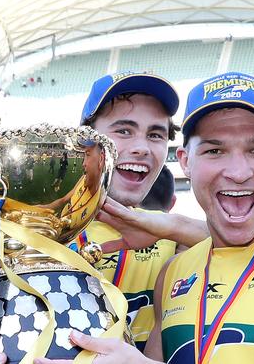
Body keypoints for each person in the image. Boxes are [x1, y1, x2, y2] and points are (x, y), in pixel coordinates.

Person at [42, 72, 254, 363]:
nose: (238, 171)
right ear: (185, 161)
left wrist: (175, 228)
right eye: (214, 150)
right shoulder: (176, 271)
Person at [71, 72, 184, 351]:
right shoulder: (37, 228)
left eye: (155, 135)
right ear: (85, 141)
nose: (141, 148)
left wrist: (175, 228)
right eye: (123, 131)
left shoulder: (174, 236)